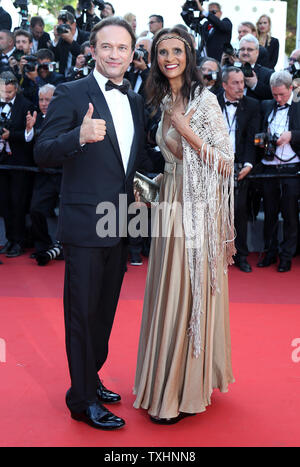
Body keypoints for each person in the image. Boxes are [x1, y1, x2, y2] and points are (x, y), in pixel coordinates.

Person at [34, 17, 152, 430]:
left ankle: (91, 375)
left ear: (133, 53)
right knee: (82, 314)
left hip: (119, 221)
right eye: (107, 47)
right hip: (84, 225)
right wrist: (79, 136)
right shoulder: (70, 93)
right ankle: (81, 399)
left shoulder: (135, 100)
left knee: (104, 312)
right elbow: (43, 152)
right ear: (93, 50)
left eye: (122, 48)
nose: (115, 54)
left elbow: (131, 161)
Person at [133, 27, 235, 423]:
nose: (168, 58)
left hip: (197, 212)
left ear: (189, 56)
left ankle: (183, 387)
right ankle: (165, 381)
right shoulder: (163, 100)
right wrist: (154, 183)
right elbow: (174, 163)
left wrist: (187, 130)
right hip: (171, 205)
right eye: (162, 52)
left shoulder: (205, 101)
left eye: (176, 51)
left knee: (186, 290)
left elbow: (225, 162)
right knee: (167, 289)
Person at [257, 70, 300, 272]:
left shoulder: (299, 107)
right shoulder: (267, 106)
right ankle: (270, 251)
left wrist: (292, 135)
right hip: (269, 168)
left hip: (292, 170)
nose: (278, 98)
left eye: (281, 94)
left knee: (290, 214)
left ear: (291, 88)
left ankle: (286, 256)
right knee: (270, 214)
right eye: (275, 95)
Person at [217, 67, 260, 273]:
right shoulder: (212, 104)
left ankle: (240, 255)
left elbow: (253, 139)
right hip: (214, 166)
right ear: (224, 85)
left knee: (239, 213)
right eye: (235, 83)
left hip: (240, 166)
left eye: (242, 82)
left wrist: (249, 164)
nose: (240, 86)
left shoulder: (252, 105)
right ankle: (215, 255)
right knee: (215, 213)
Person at [0, 71, 34, 258]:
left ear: (16, 89)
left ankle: (19, 242)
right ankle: (10, 239)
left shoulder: (26, 105)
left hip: (20, 163)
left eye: (10, 93)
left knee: (18, 203)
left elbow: (30, 136)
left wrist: (10, 136)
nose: (6, 96)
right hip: (2, 163)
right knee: (4, 203)